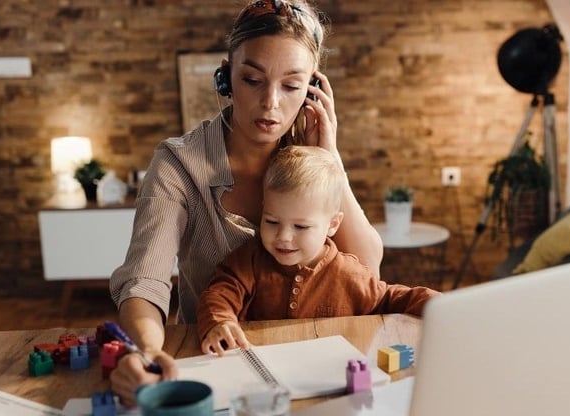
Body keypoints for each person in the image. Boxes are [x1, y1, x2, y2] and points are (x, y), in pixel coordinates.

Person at [108, 0, 384, 405]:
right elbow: (145, 282)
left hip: (317, 363)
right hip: (215, 362)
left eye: (291, 86)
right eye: (253, 79)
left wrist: (330, 158)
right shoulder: (178, 163)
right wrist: (147, 352)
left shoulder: (312, 155)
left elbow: (368, 266)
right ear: (226, 77)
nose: (271, 103)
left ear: (312, 90)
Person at [198, 146, 440, 355]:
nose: (283, 236)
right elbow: (219, 294)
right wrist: (220, 322)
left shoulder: (349, 274)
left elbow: (389, 299)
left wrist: (440, 307)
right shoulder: (249, 261)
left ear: (332, 224)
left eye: (300, 226)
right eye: (271, 221)